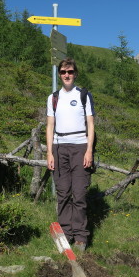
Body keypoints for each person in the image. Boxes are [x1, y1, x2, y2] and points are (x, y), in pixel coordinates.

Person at [46, 58, 95, 252]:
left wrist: (89, 150)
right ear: (59, 75)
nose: (67, 75)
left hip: (80, 146)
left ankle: (81, 237)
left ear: (76, 74)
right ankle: (65, 234)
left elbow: (90, 123)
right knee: (63, 192)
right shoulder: (53, 98)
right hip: (59, 147)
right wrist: (49, 152)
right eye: (63, 72)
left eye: (70, 72)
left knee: (80, 193)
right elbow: (50, 125)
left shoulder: (84, 95)